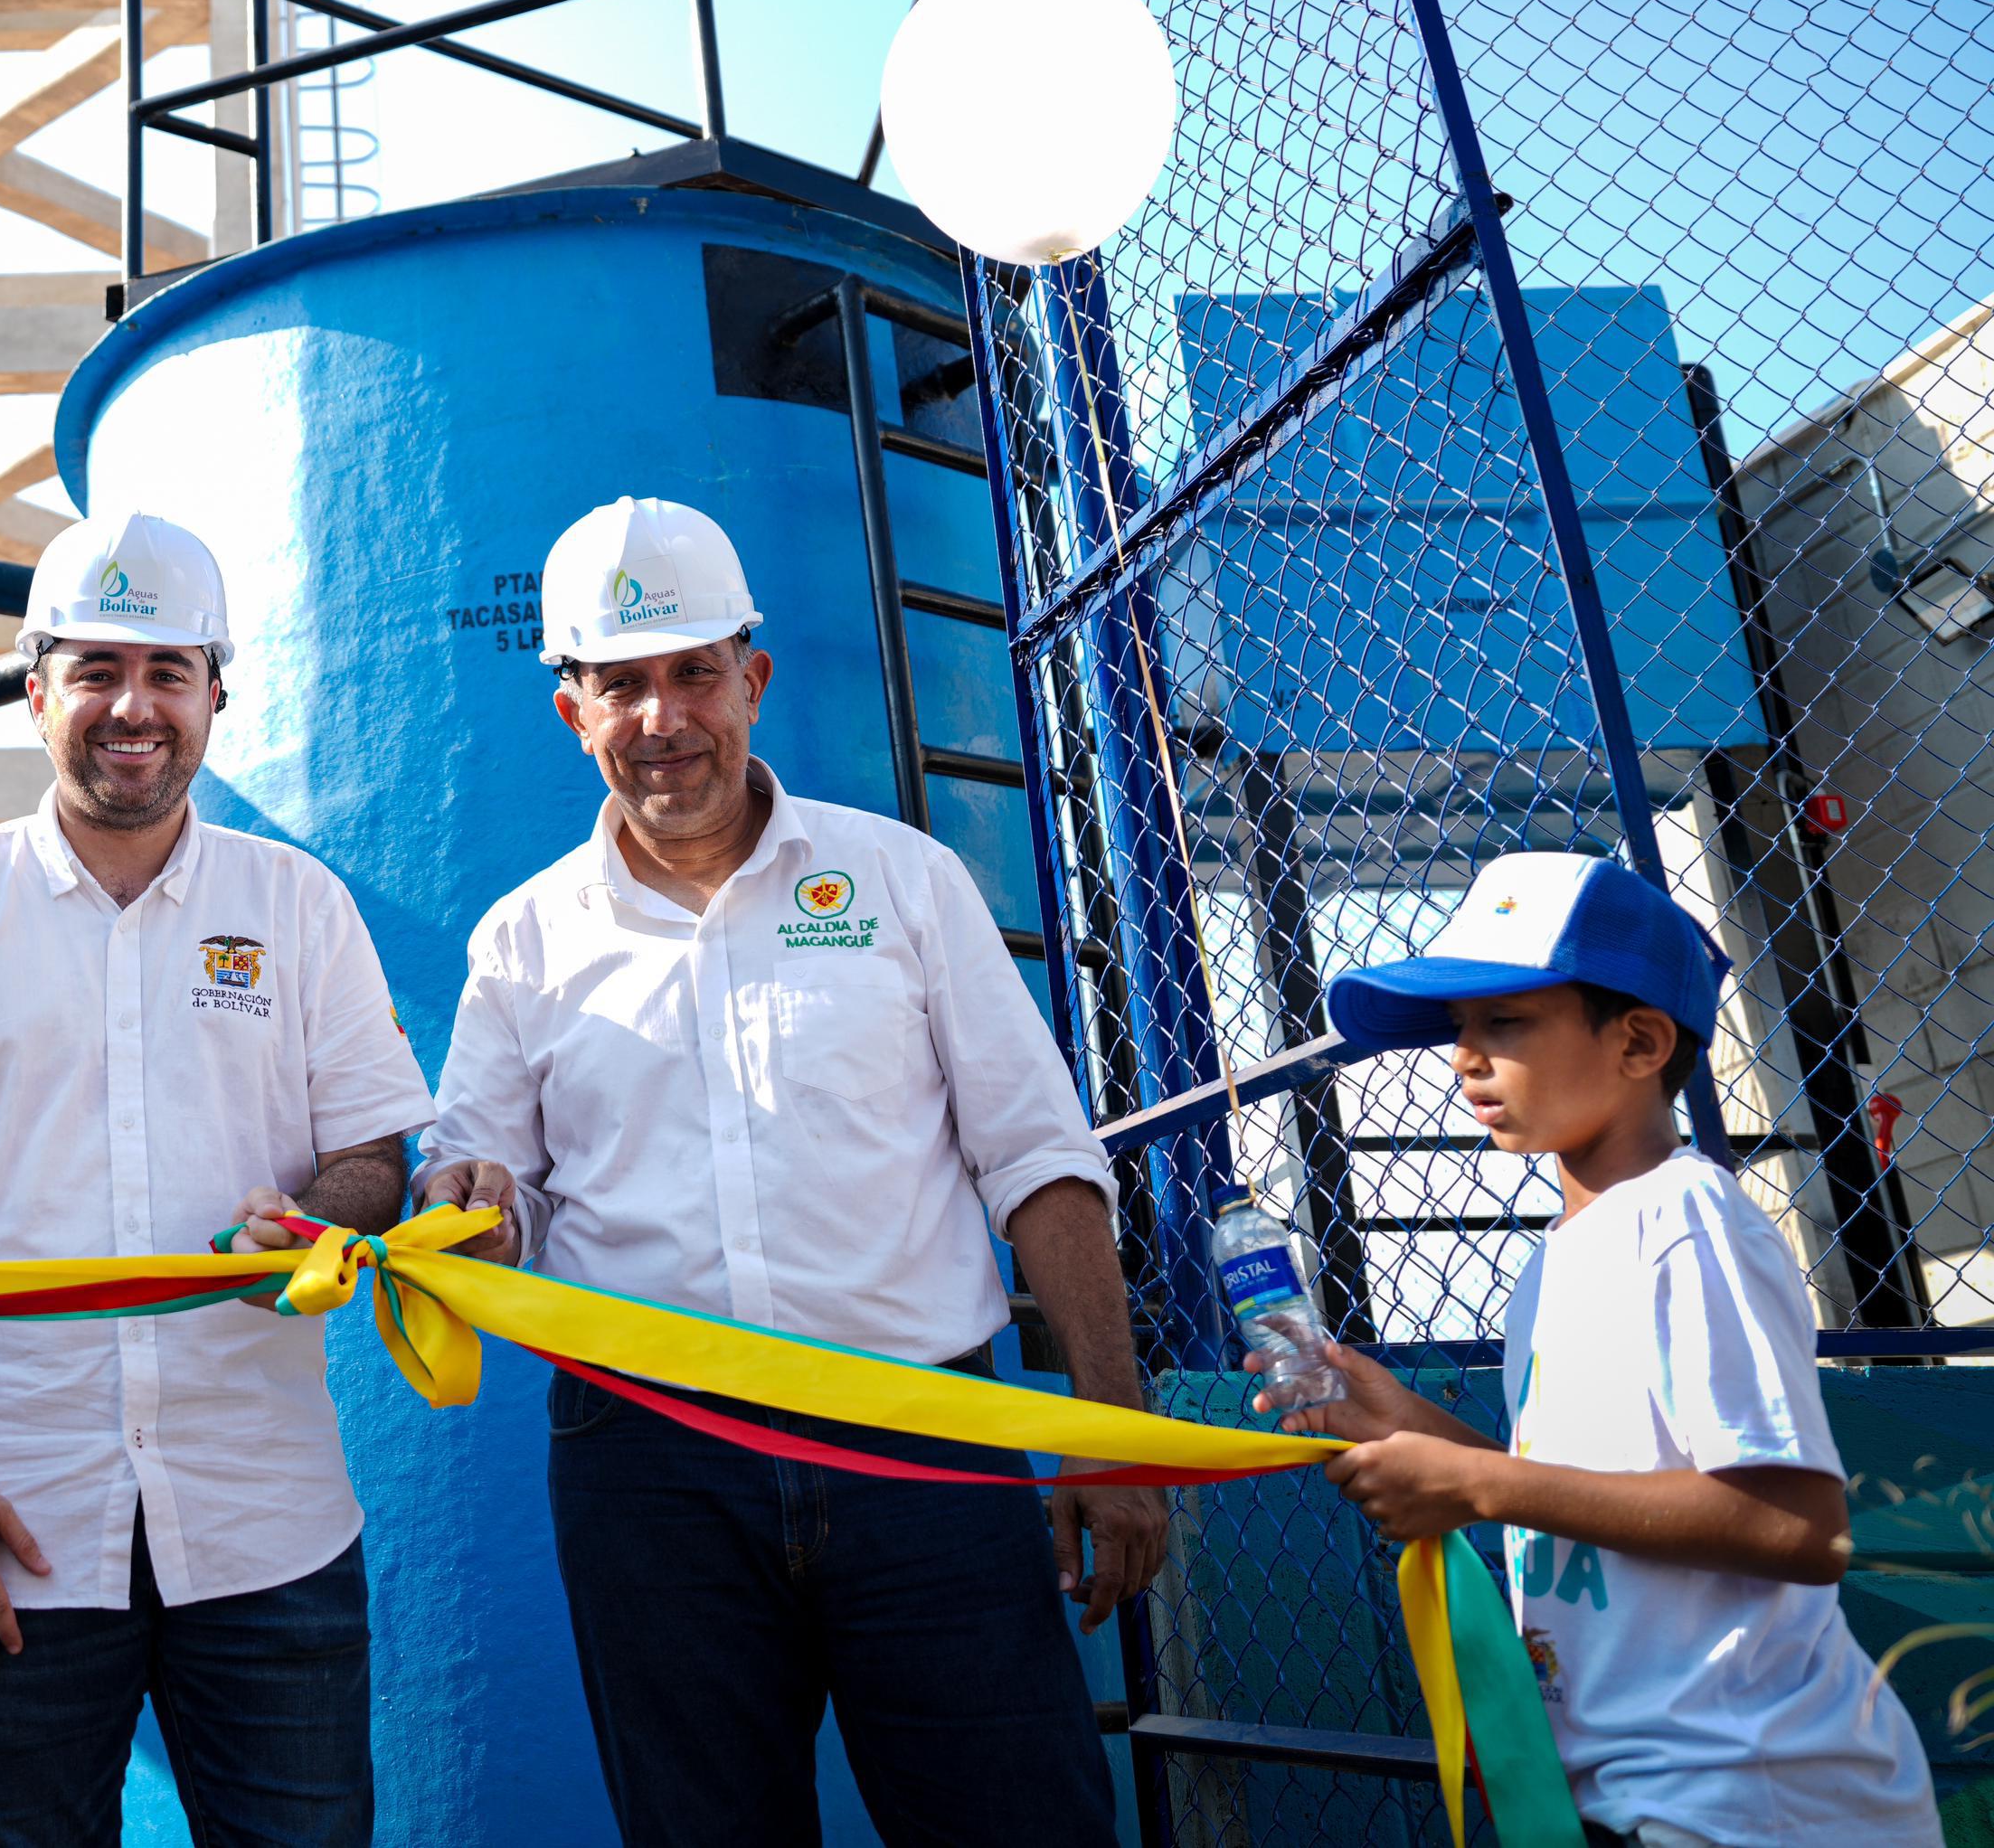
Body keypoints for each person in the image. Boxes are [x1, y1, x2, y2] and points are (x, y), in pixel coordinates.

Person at [417, 497, 1158, 1848]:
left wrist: (1111, 1429)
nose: (664, 717)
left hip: (925, 1443)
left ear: (751, 678)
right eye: (623, 684)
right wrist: (460, 1207)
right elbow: (486, 1186)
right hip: (653, 1466)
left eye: (695, 670)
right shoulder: (519, 944)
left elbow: (1040, 1162)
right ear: (570, 711)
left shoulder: (909, 882)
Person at [0, 510, 436, 1848]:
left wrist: (321, 1215)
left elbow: (377, 1155)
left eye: (167, 671)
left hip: (268, 1516)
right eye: (96, 669)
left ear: (217, 692)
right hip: (10, 1524)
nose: (132, 706)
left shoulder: (299, 905)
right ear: (36, 686)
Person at [1267, 851, 1938, 1848]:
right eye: (1456, 1027)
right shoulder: (1555, 1262)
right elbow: (1583, 1485)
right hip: (1630, 1790)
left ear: (1637, 1042)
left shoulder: (1685, 1218)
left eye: (1502, 1021)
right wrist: (1415, 1427)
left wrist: (1471, 1483)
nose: (1461, 1056)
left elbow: (1796, 1526)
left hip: (1751, 1799)